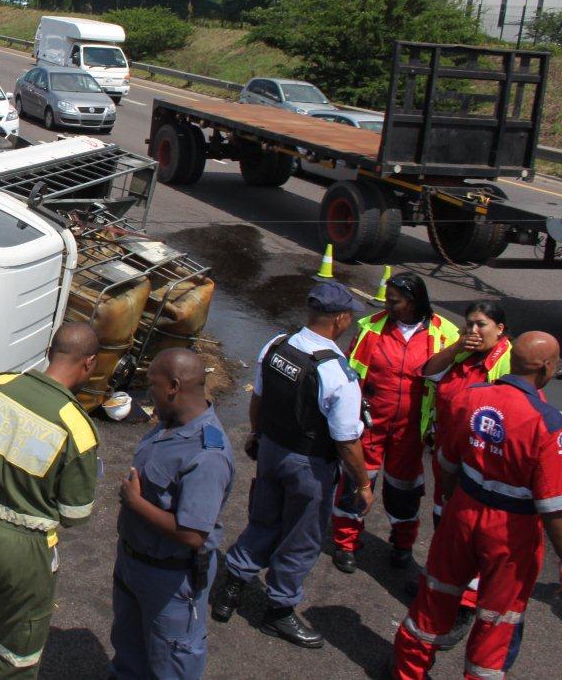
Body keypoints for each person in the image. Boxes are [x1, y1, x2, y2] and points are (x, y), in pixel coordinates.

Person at [392, 332, 562, 680]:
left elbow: (447, 459)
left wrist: (451, 501)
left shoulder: (472, 398)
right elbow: (553, 505)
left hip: (463, 509)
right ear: (547, 368)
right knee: (497, 618)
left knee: (435, 596)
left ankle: (406, 671)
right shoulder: (548, 422)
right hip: (512, 532)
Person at [0, 322, 102, 680]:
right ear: (89, 364)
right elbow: (76, 513)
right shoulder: (78, 427)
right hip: (26, 549)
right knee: (17, 656)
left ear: (49, 350)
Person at [211, 281, 372, 649]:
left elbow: (260, 400)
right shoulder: (337, 374)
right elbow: (347, 441)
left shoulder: (277, 345)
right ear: (341, 319)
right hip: (309, 466)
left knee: (263, 519)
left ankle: (231, 589)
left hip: (271, 450)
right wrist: (363, 484)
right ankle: (279, 610)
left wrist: (256, 434)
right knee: (302, 538)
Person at [111, 348, 234, 679]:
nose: (148, 391)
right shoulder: (168, 424)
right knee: (129, 650)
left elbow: (193, 534)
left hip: (170, 581)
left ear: (174, 386)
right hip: (134, 562)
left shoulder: (208, 454)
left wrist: (136, 504)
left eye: (153, 384)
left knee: (170, 663)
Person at [331, 273, 458, 574]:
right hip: (371, 422)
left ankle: (402, 546)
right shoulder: (370, 327)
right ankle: (346, 543)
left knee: (405, 491)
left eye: (394, 301)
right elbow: (350, 373)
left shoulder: (445, 334)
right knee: (355, 482)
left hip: (410, 431)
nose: (387, 305)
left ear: (413, 301)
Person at [414, 301, 513, 647]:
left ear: (500, 329)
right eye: (468, 325)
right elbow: (427, 371)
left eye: (481, 325)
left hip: (478, 468)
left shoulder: (506, 364)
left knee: (470, 536)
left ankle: (465, 606)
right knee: (444, 523)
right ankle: (442, 584)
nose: (473, 332)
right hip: (447, 459)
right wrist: (456, 347)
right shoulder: (461, 355)